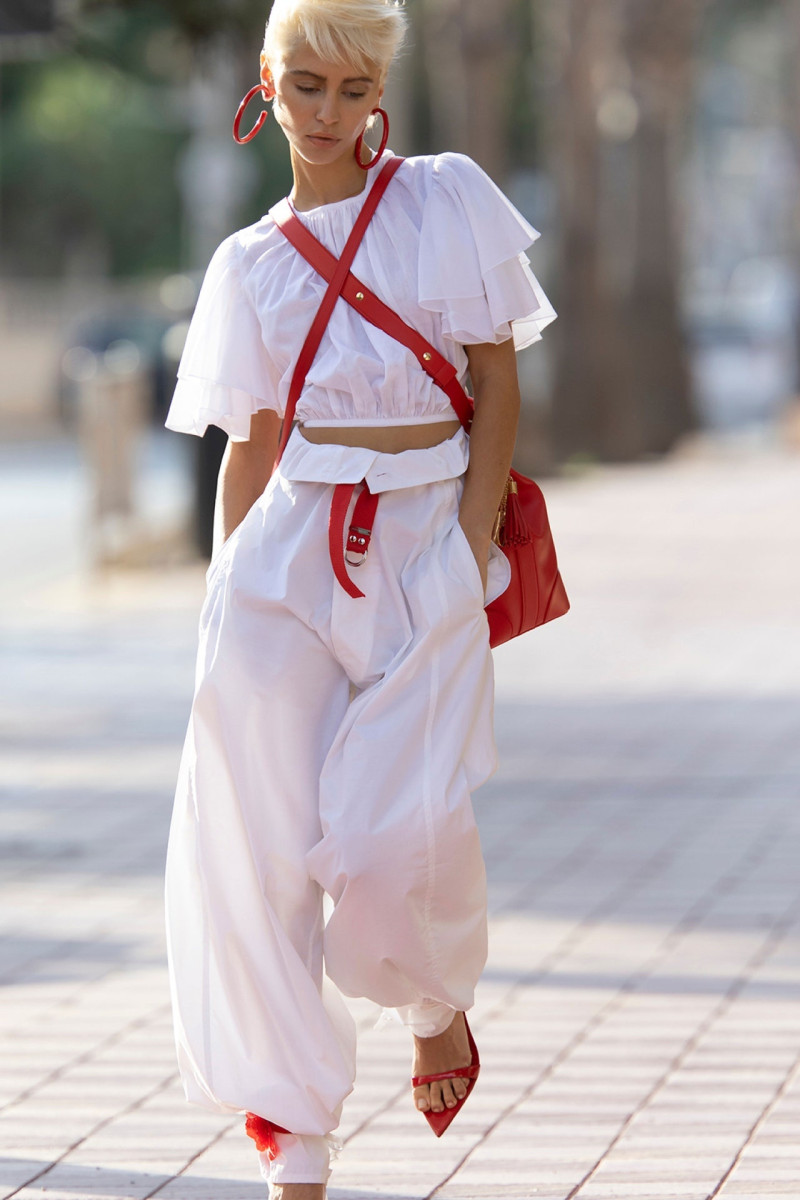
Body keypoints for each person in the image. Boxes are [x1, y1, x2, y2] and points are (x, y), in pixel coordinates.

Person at [163, 0, 557, 1195]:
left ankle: (432, 1000)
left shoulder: (444, 200)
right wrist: (223, 589)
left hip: (423, 540)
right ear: (266, 86)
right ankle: (296, 1140)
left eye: (350, 89)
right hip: (283, 560)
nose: (327, 113)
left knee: (398, 830)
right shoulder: (248, 264)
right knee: (261, 846)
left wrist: (472, 537)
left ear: (376, 89)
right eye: (305, 87)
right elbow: (254, 440)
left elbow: (493, 380)